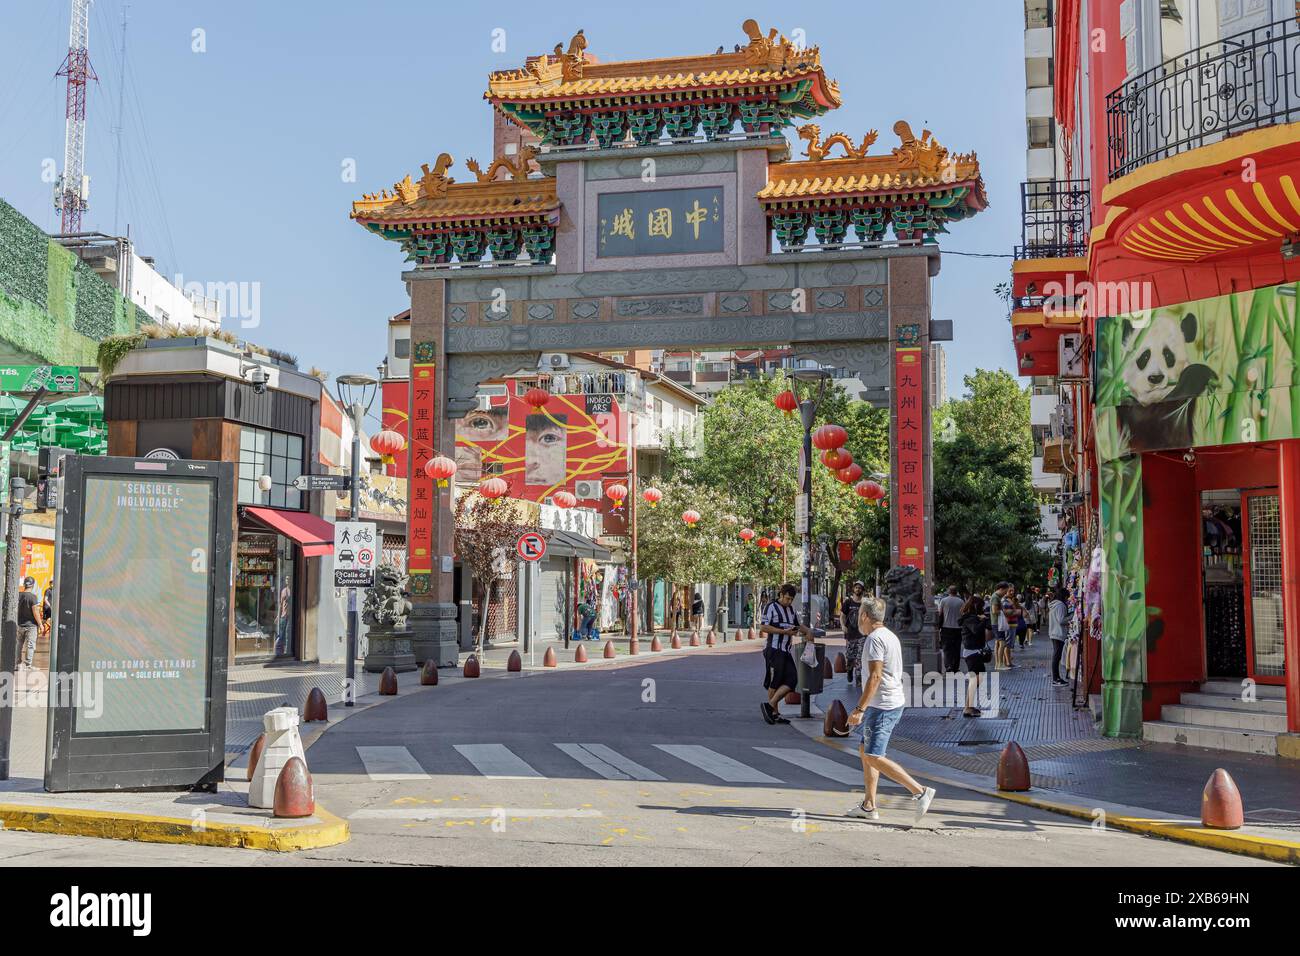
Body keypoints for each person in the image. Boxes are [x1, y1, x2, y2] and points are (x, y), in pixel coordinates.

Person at [845, 596, 937, 823]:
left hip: (883, 705)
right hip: (887, 702)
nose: (858, 620)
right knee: (866, 751)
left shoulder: (875, 639)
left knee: (873, 755)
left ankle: (919, 791)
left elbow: (875, 676)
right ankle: (869, 805)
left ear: (865, 616)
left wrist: (859, 709)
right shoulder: (889, 636)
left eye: (859, 616)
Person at [759, 583, 809, 725]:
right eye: (787, 598)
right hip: (774, 649)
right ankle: (774, 712)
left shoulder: (791, 610)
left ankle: (770, 706)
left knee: (792, 679)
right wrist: (783, 632)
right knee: (775, 682)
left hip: (786, 650)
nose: (789, 602)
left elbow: (797, 625)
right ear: (780, 595)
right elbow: (763, 626)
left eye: (791, 599)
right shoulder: (771, 607)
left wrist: (808, 631)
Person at [958, 594, 991, 717]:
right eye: (981, 607)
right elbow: (976, 630)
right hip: (972, 652)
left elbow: (987, 628)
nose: (983, 609)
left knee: (977, 679)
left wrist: (984, 620)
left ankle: (969, 706)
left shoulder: (972, 617)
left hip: (974, 651)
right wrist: (982, 620)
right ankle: (968, 707)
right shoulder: (970, 619)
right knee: (975, 679)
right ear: (976, 606)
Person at [841, 581, 866, 686]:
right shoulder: (848, 602)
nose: (858, 589)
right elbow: (842, 615)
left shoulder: (864, 604)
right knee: (850, 657)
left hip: (862, 634)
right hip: (850, 634)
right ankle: (849, 670)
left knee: (860, 657)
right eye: (856, 587)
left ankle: (859, 678)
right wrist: (843, 625)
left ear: (862, 590)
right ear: (853, 589)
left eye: (860, 588)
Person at [16, 576, 43, 670]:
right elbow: (35, 612)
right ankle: (28, 665)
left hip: (20, 624)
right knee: (30, 645)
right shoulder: (33, 597)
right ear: (33, 585)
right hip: (31, 625)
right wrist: (40, 624)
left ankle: (18, 664)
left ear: (24, 584)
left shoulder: (18, 595)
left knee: (19, 644)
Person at [937, 585, 964, 675]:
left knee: (947, 649)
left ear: (949, 591)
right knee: (956, 649)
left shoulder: (943, 601)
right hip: (958, 628)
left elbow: (940, 614)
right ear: (956, 592)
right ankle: (955, 668)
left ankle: (948, 666)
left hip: (946, 628)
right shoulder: (961, 601)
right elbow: (963, 614)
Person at [1048, 587, 1070, 687]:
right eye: (1066, 597)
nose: (1067, 599)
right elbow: (1061, 620)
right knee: (1057, 656)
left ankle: (1056, 678)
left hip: (1054, 632)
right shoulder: (1060, 605)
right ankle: (1056, 679)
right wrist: (1072, 616)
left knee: (1056, 656)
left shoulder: (1054, 604)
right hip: (1058, 633)